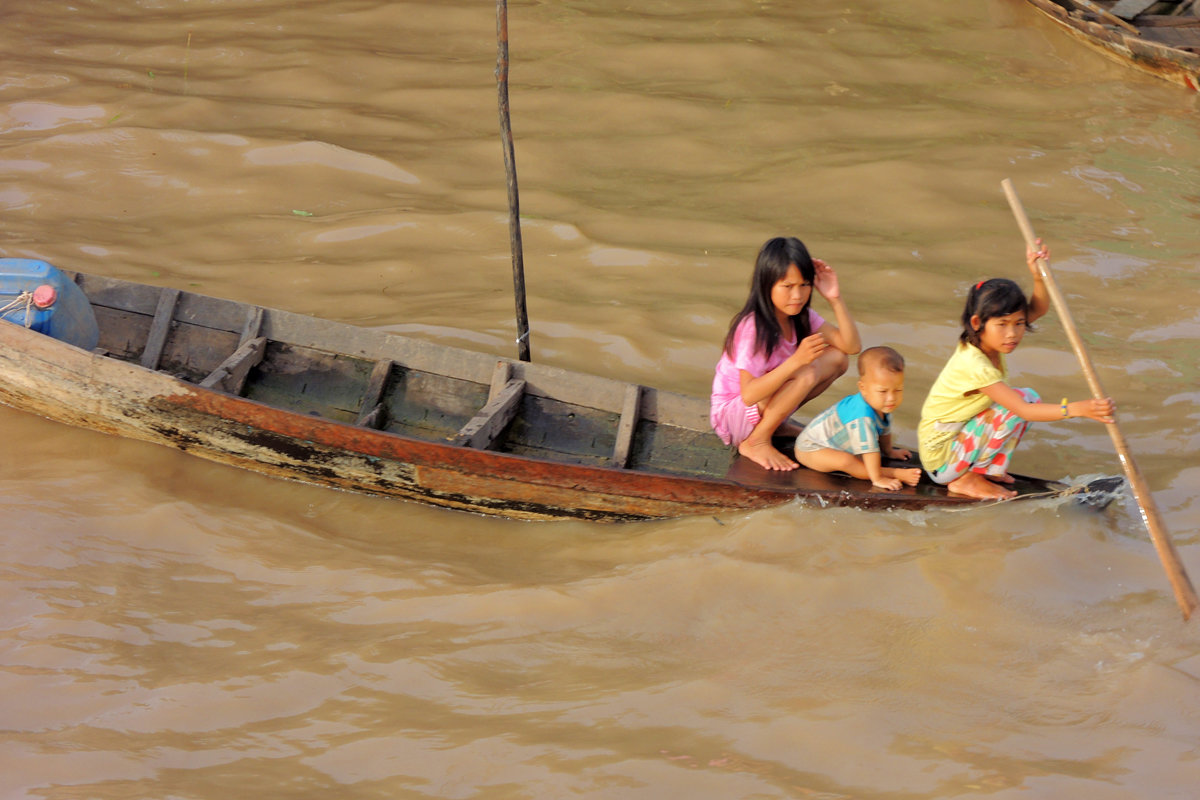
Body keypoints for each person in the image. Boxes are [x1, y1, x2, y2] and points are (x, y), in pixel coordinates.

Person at [917, 240, 1115, 500]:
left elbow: (1039, 309)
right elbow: (1022, 411)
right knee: (1019, 405)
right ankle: (966, 480)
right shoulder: (975, 365)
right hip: (941, 462)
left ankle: (989, 469)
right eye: (1003, 324)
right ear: (977, 323)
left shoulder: (988, 340)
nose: (1013, 334)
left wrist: (1037, 275)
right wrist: (1077, 409)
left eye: (1019, 323)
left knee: (1029, 396)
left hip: (957, 442)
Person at [710, 236, 861, 471]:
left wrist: (835, 298)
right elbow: (749, 394)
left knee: (837, 359)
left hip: (758, 407)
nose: (797, 296)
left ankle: (774, 425)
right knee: (805, 372)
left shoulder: (801, 316)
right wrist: (796, 361)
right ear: (767, 284)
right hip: (732, 416)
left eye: (804, 285)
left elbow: (851, 347)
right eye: (788, 286)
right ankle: (756, 441)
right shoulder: (754, 328)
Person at [794, 346, 923, 490]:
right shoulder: (862, 417)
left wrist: (889, 451)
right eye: (883, 391)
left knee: (859, 457)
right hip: (811, 449)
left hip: (833, 445)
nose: (891, 398)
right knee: (846, 461)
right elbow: (870, 450)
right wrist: (878, 478)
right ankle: (894, 473)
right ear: (863, 388)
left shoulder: (880, 404)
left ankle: (883, 467)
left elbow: (884, 430)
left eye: (898, 389)